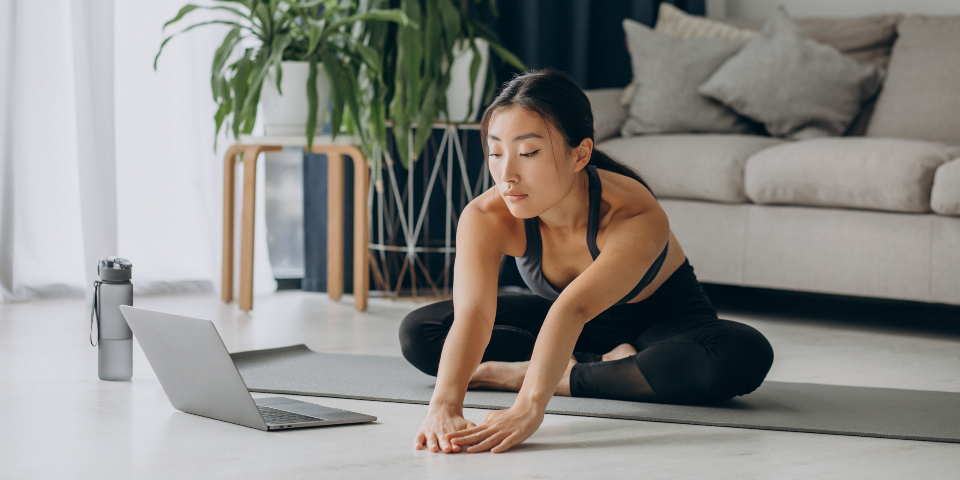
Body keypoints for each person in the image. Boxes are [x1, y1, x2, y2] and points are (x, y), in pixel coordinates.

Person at [399, 68, 774, 454]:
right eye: (495, 152)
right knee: (420, 332)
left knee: (740, 355)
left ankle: (557, 375)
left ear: (580, 154)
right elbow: (475, 313)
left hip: (659, 322)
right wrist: (444, 407)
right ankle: (603, 367)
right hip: (566, 323)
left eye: (528, 153)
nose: (506, 174)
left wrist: (528, 406)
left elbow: (574, 307)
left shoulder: (632, 212)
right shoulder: (486, 215)